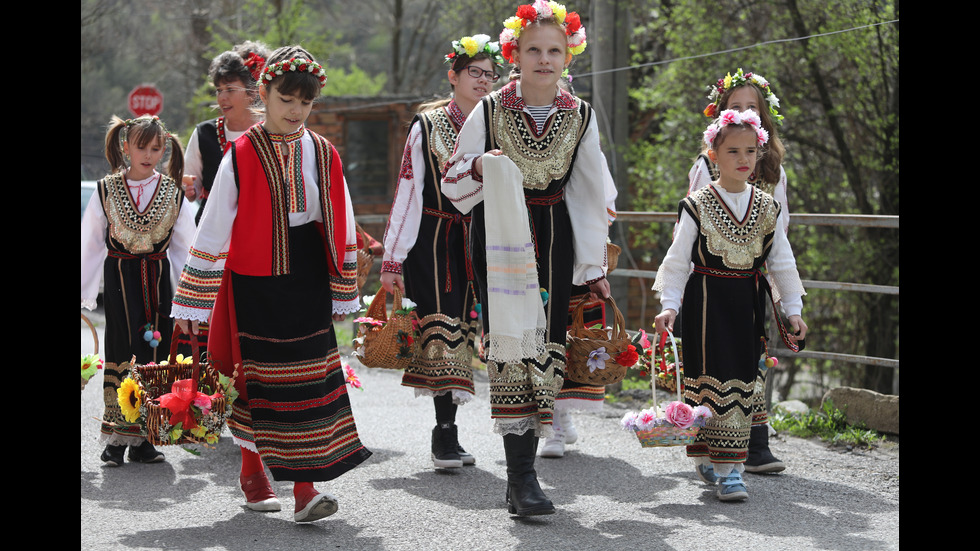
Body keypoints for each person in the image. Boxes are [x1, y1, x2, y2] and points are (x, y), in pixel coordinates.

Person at [171, 45, 372, 523]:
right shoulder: (241, 153)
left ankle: (305, 488)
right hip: (253, 281)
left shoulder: (323, 151)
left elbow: (339, 218)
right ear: (264, 92)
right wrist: (193, 300)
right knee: (256, 379)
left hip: (307, 279)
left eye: (305, 101)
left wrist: (344, 286)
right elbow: (215, 225)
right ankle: (252, 472)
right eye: (286, 98)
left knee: (307, 381)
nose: (296, 110)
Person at [442, 0, 609, 516]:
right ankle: (522, 479)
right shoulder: (490, 109)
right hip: (500, 237)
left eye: (554, 50)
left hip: (554, 238)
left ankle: (523, 478)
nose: (544, 59)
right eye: (533, 49)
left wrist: (594, 267)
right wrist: (479, 165)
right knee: (513, 348)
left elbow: (588, 191)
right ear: (515, 53)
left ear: (569, 55)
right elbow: (451, 180)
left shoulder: (580, 115)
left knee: (545, 352)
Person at [653, 109, 808, 502]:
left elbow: (782, 262)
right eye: (733, 151)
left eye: (751, 151)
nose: (743, 159)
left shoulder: (767, 208)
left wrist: (793, 311)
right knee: (712, 383)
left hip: (748, 306)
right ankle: (719, 463)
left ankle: (729, 468)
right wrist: (669, 306)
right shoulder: (697, 205)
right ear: (714, 155)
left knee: (743, 383)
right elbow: (676, 260)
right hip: (705, 306)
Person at [380, 34, 504, 470]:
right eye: (475, 73)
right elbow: (408, 192)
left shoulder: (499, 125)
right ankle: (444, 434)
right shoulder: (428, 126)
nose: (485, 81)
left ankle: (488, 430)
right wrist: (392, 259)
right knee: (445, 328)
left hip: (482, 238)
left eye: (491, 75)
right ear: (453, 76)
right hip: (434, 240)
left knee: (472, 330)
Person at [686, 68, 788, 473]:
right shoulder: (706, 166)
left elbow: (782, 231)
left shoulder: (774, 169)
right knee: (713, 361)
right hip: (711, 279)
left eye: (752, 107)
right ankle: (712, 444)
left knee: (752, 355)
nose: (745, 113)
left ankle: (755, 443)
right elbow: (688, 224)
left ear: (764, 117)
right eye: (735, 107)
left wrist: (784, 291)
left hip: (753, 277)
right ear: (720, 116)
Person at [81, 114, 195, 467]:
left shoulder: (173, 193)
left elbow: (185, 248)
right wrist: (84, 294)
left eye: (156, 148)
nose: (148, 154)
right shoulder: (105, 189)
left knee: (155, 355)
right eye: (141, 147)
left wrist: (190, 299)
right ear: (126, 147)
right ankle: (115, 440)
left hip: (158, 282)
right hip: (119, 280)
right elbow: (90, 244)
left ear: (164, 150)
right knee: (121, 350)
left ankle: (146, 438)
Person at [540, 75, 618, 459]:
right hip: (539, 250)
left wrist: (592, 252)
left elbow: (605, 199)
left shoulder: (586, 143)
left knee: (577, 336)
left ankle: (561, 414)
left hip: (578, 256)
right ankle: (549, 420)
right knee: (542, 334)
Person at [182, 41, 270, 224]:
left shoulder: (271, 133)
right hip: (212, 229)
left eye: (230, 89)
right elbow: (190, 187)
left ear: (253, 91)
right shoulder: (204, 134)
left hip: (260, 226)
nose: (222, 97)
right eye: (219, 90)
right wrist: (188, 190)